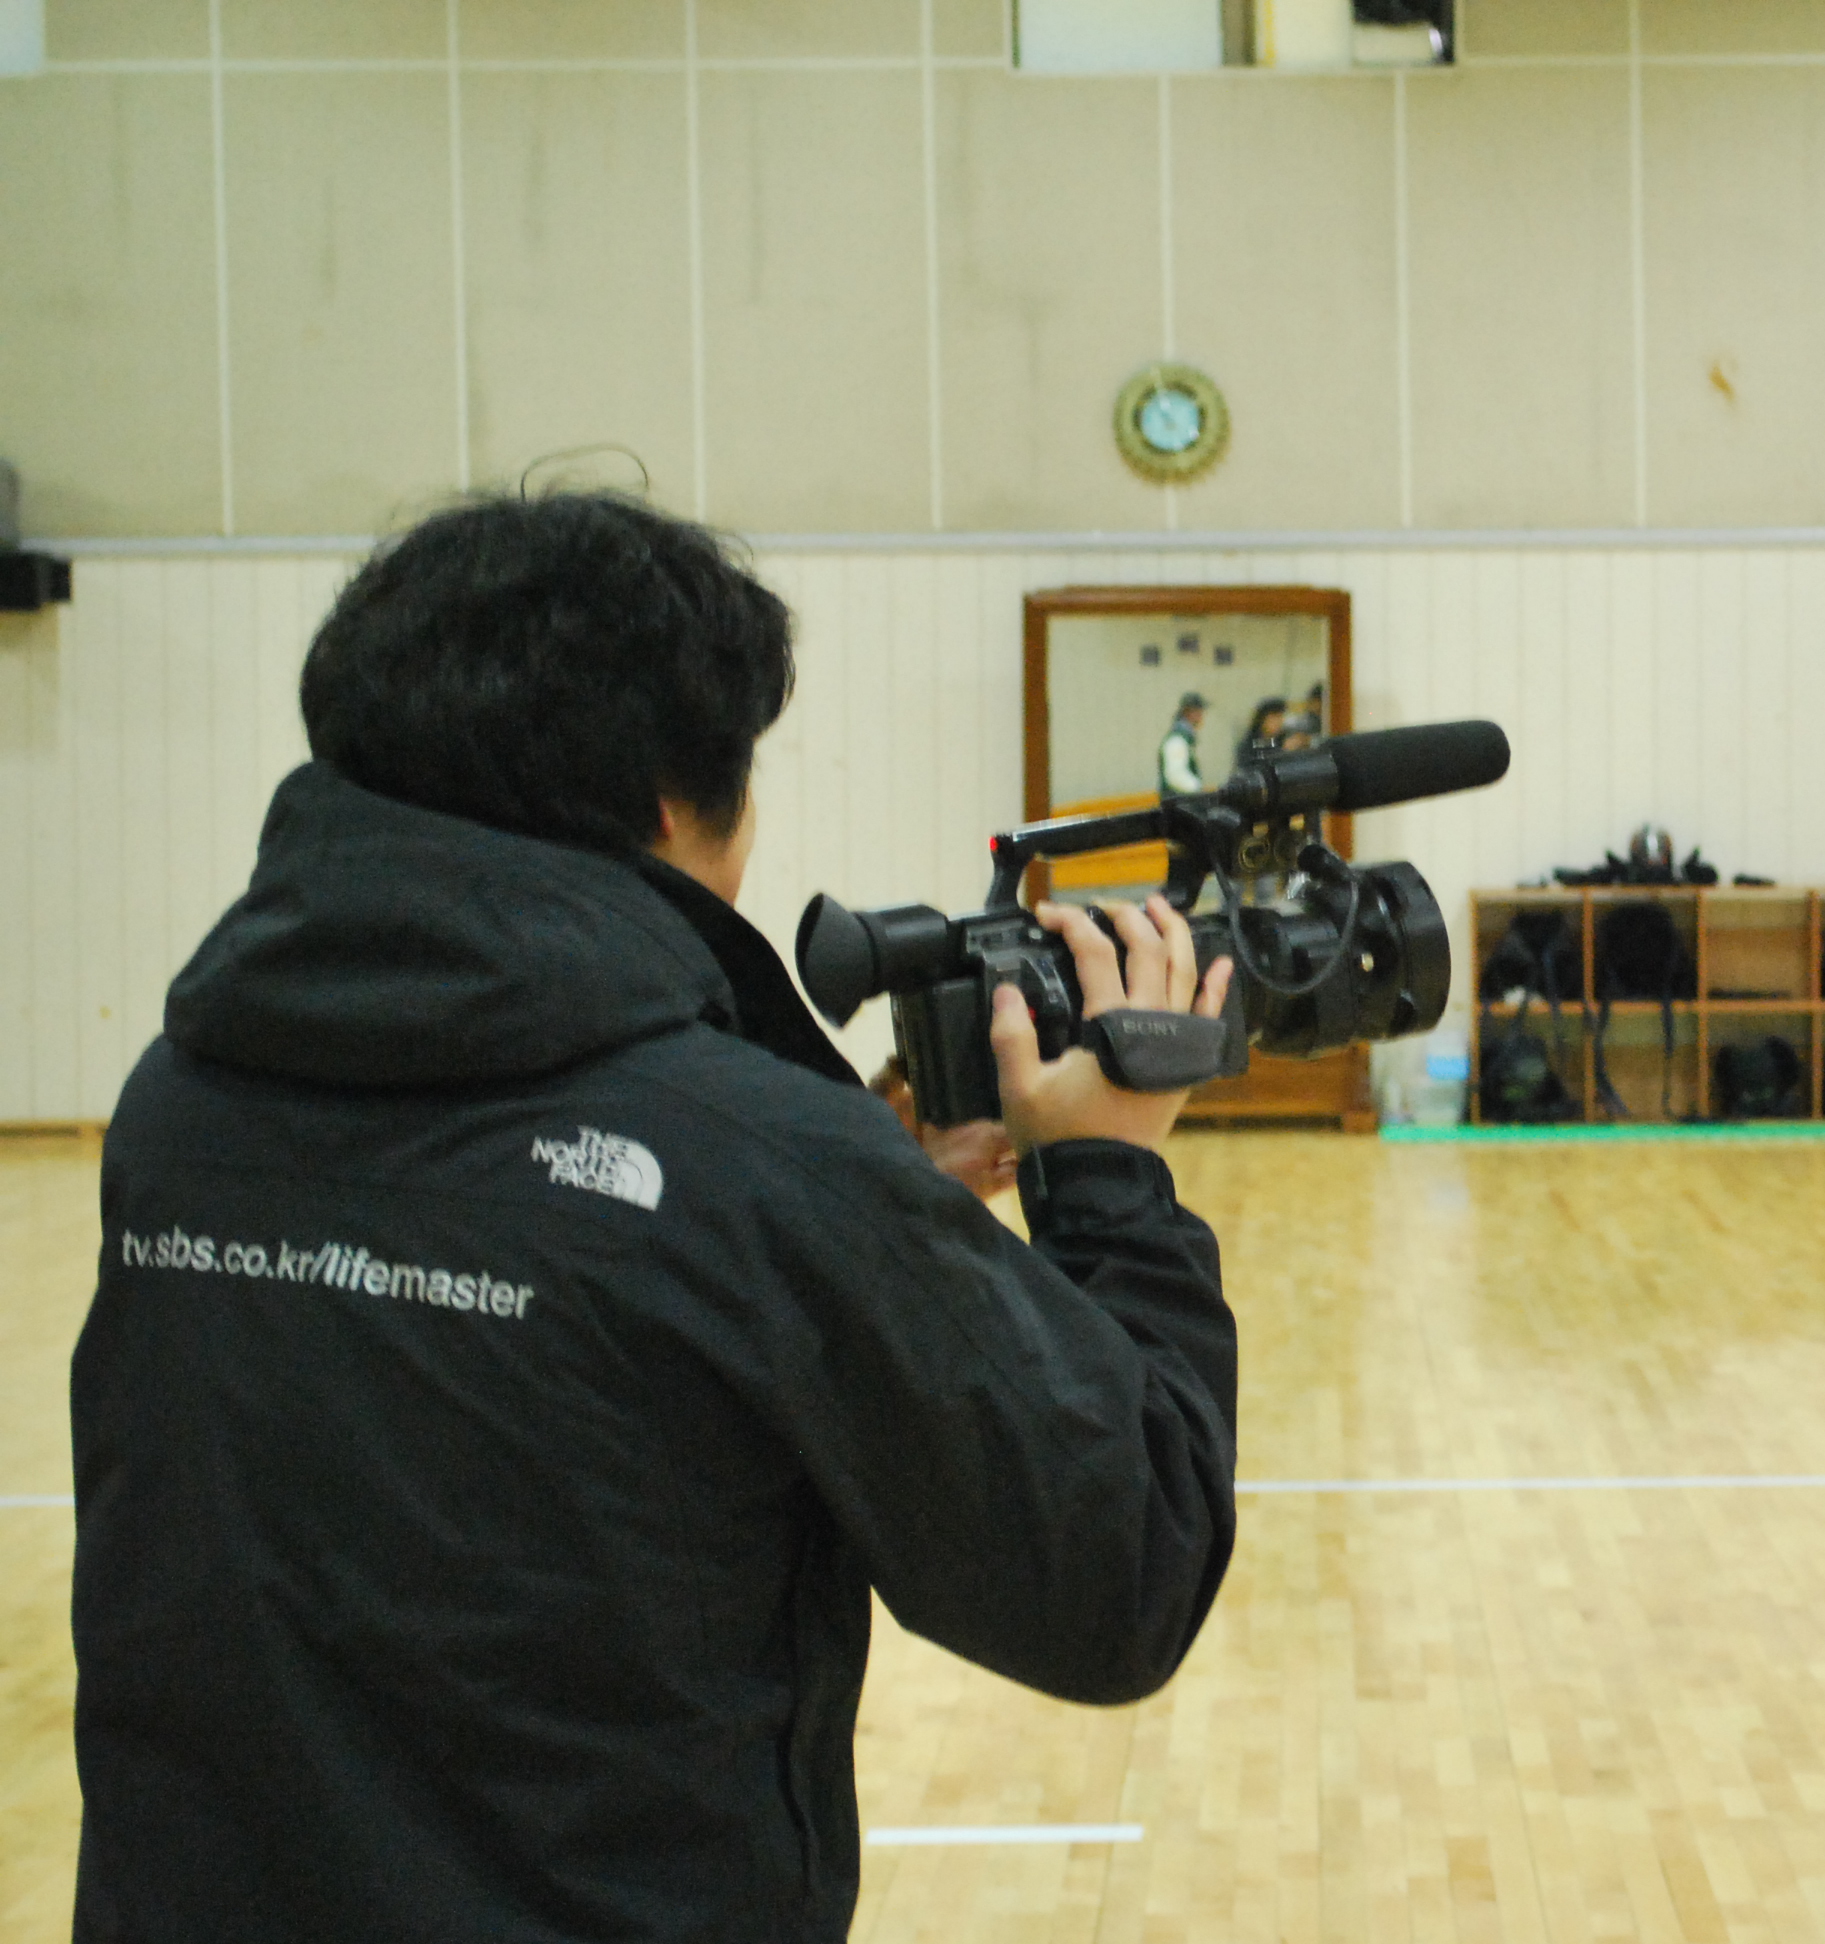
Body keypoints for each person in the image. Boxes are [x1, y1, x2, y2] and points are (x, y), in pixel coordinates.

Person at [70, 493, 1243, 1943]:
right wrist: (1109, 1176)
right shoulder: (752, 1163)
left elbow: (524, 1291)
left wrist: (853, 1201)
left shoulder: (180, 1107)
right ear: (679, 804)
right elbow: (1121, 1572)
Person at [1159, 692, 1208, 795]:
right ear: (1188, 713)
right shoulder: (1177, 740)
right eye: (1199, 712)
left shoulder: (1185, 738)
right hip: (1178, 801)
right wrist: (1197, 790)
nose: (1201, 717)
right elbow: (1176, 775)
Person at [1234, 696, 1289, 776]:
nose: (1279, 722)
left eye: (1280, 717)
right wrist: (1283, 748)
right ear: (1262, 720)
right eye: (1274, 718)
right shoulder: (1250, 743)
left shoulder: (1281, 738)